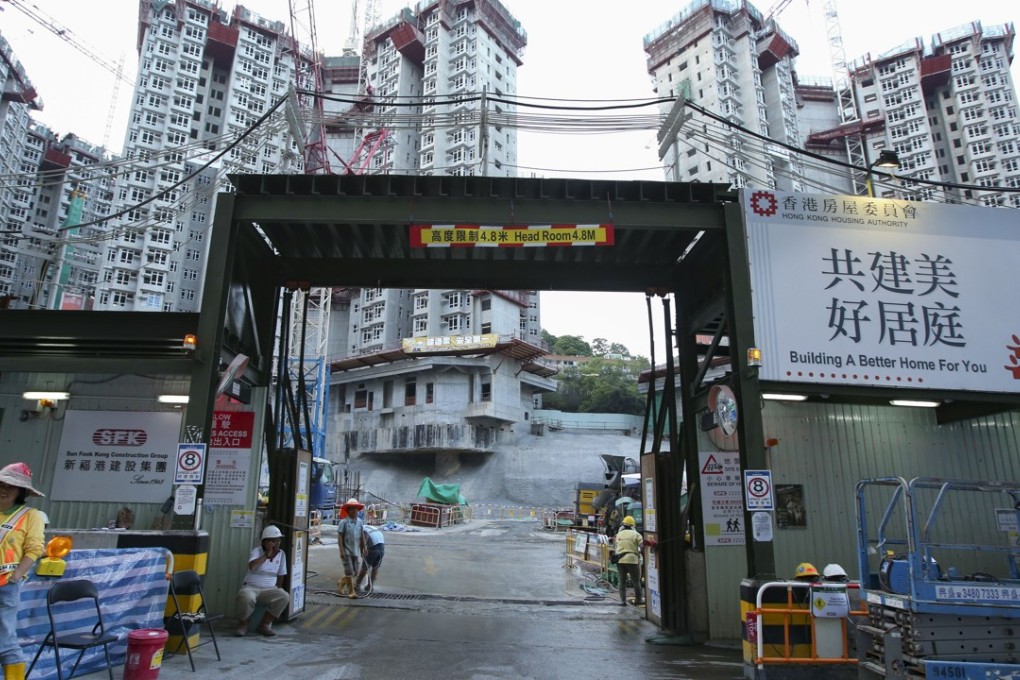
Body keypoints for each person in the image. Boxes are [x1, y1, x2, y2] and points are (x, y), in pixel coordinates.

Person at [0, 463, 46, 680]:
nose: (4, 488)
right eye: (1, 483)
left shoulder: (30, 515)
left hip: (5, 585)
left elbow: (35, 548)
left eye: (10, 485)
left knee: (4, 638)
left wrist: (17, 575)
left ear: (21, 491)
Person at [235, 525, 289, 637]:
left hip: (269, 589)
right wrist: (266, 556)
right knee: (245, 597)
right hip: (251, 587)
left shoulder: (281, 554)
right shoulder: (257, 551)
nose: (277, 543)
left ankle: (264, 624)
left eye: (278, 540)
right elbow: (252, 566)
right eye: (273, 541)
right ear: (265, 542)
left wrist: (278, 588)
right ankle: (243, 624)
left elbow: (281, 575)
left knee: (284, 596)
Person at [336, 498, 365, 599]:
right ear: (348, 510)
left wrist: (364, 547)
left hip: (355, 550)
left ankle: (341, 582)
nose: (354, 511)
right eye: (352, 509)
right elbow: (340, 537)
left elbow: (362, 535)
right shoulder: (343, 522)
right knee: (349, 571)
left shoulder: (360, 522)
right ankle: (351, 591)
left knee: (355, 572)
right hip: (346, 549)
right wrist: (341, 550)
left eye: (356, 509)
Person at [613, 515, 643, 607]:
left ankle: (622, 601)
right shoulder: (636, 534)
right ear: (633, 525)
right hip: (632, 559)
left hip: (620, 560)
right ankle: (639, 600)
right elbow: (642, 546)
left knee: (622, 581)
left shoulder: (619, 534)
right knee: (636, 581)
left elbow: (616, 546)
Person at [355, 523, 385, 594]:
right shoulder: (370, 527)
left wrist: (361, 552)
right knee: (375, 567)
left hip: (373, 548)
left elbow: (363, 541)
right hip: (382, 548)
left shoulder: (361, 530)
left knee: (365, 566)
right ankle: (370, 586)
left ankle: (357, 585)